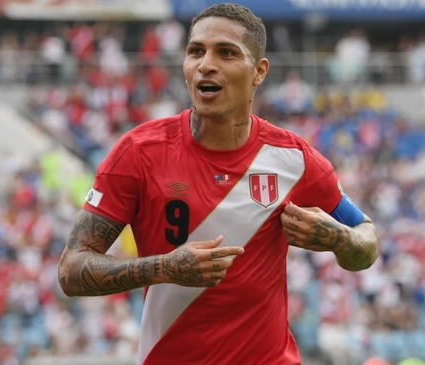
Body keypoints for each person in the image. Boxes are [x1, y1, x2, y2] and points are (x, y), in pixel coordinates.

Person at [58, 3, 379, 364]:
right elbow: (71, 272)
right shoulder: (139, 152)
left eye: (226, 53)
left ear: (259, 72)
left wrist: (340, 239)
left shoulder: (294, 159)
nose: (206, 64)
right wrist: (163, 268)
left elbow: (367, 242)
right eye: (196, 51)